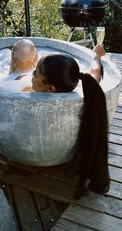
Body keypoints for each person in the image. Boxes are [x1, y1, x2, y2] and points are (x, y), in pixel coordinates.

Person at [31, 46, 110, 199]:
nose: (32, 75)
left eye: (35, 73)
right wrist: (95, 55)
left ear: (50, 88)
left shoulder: (29, 95)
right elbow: (95, 73)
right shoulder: (87, 88)